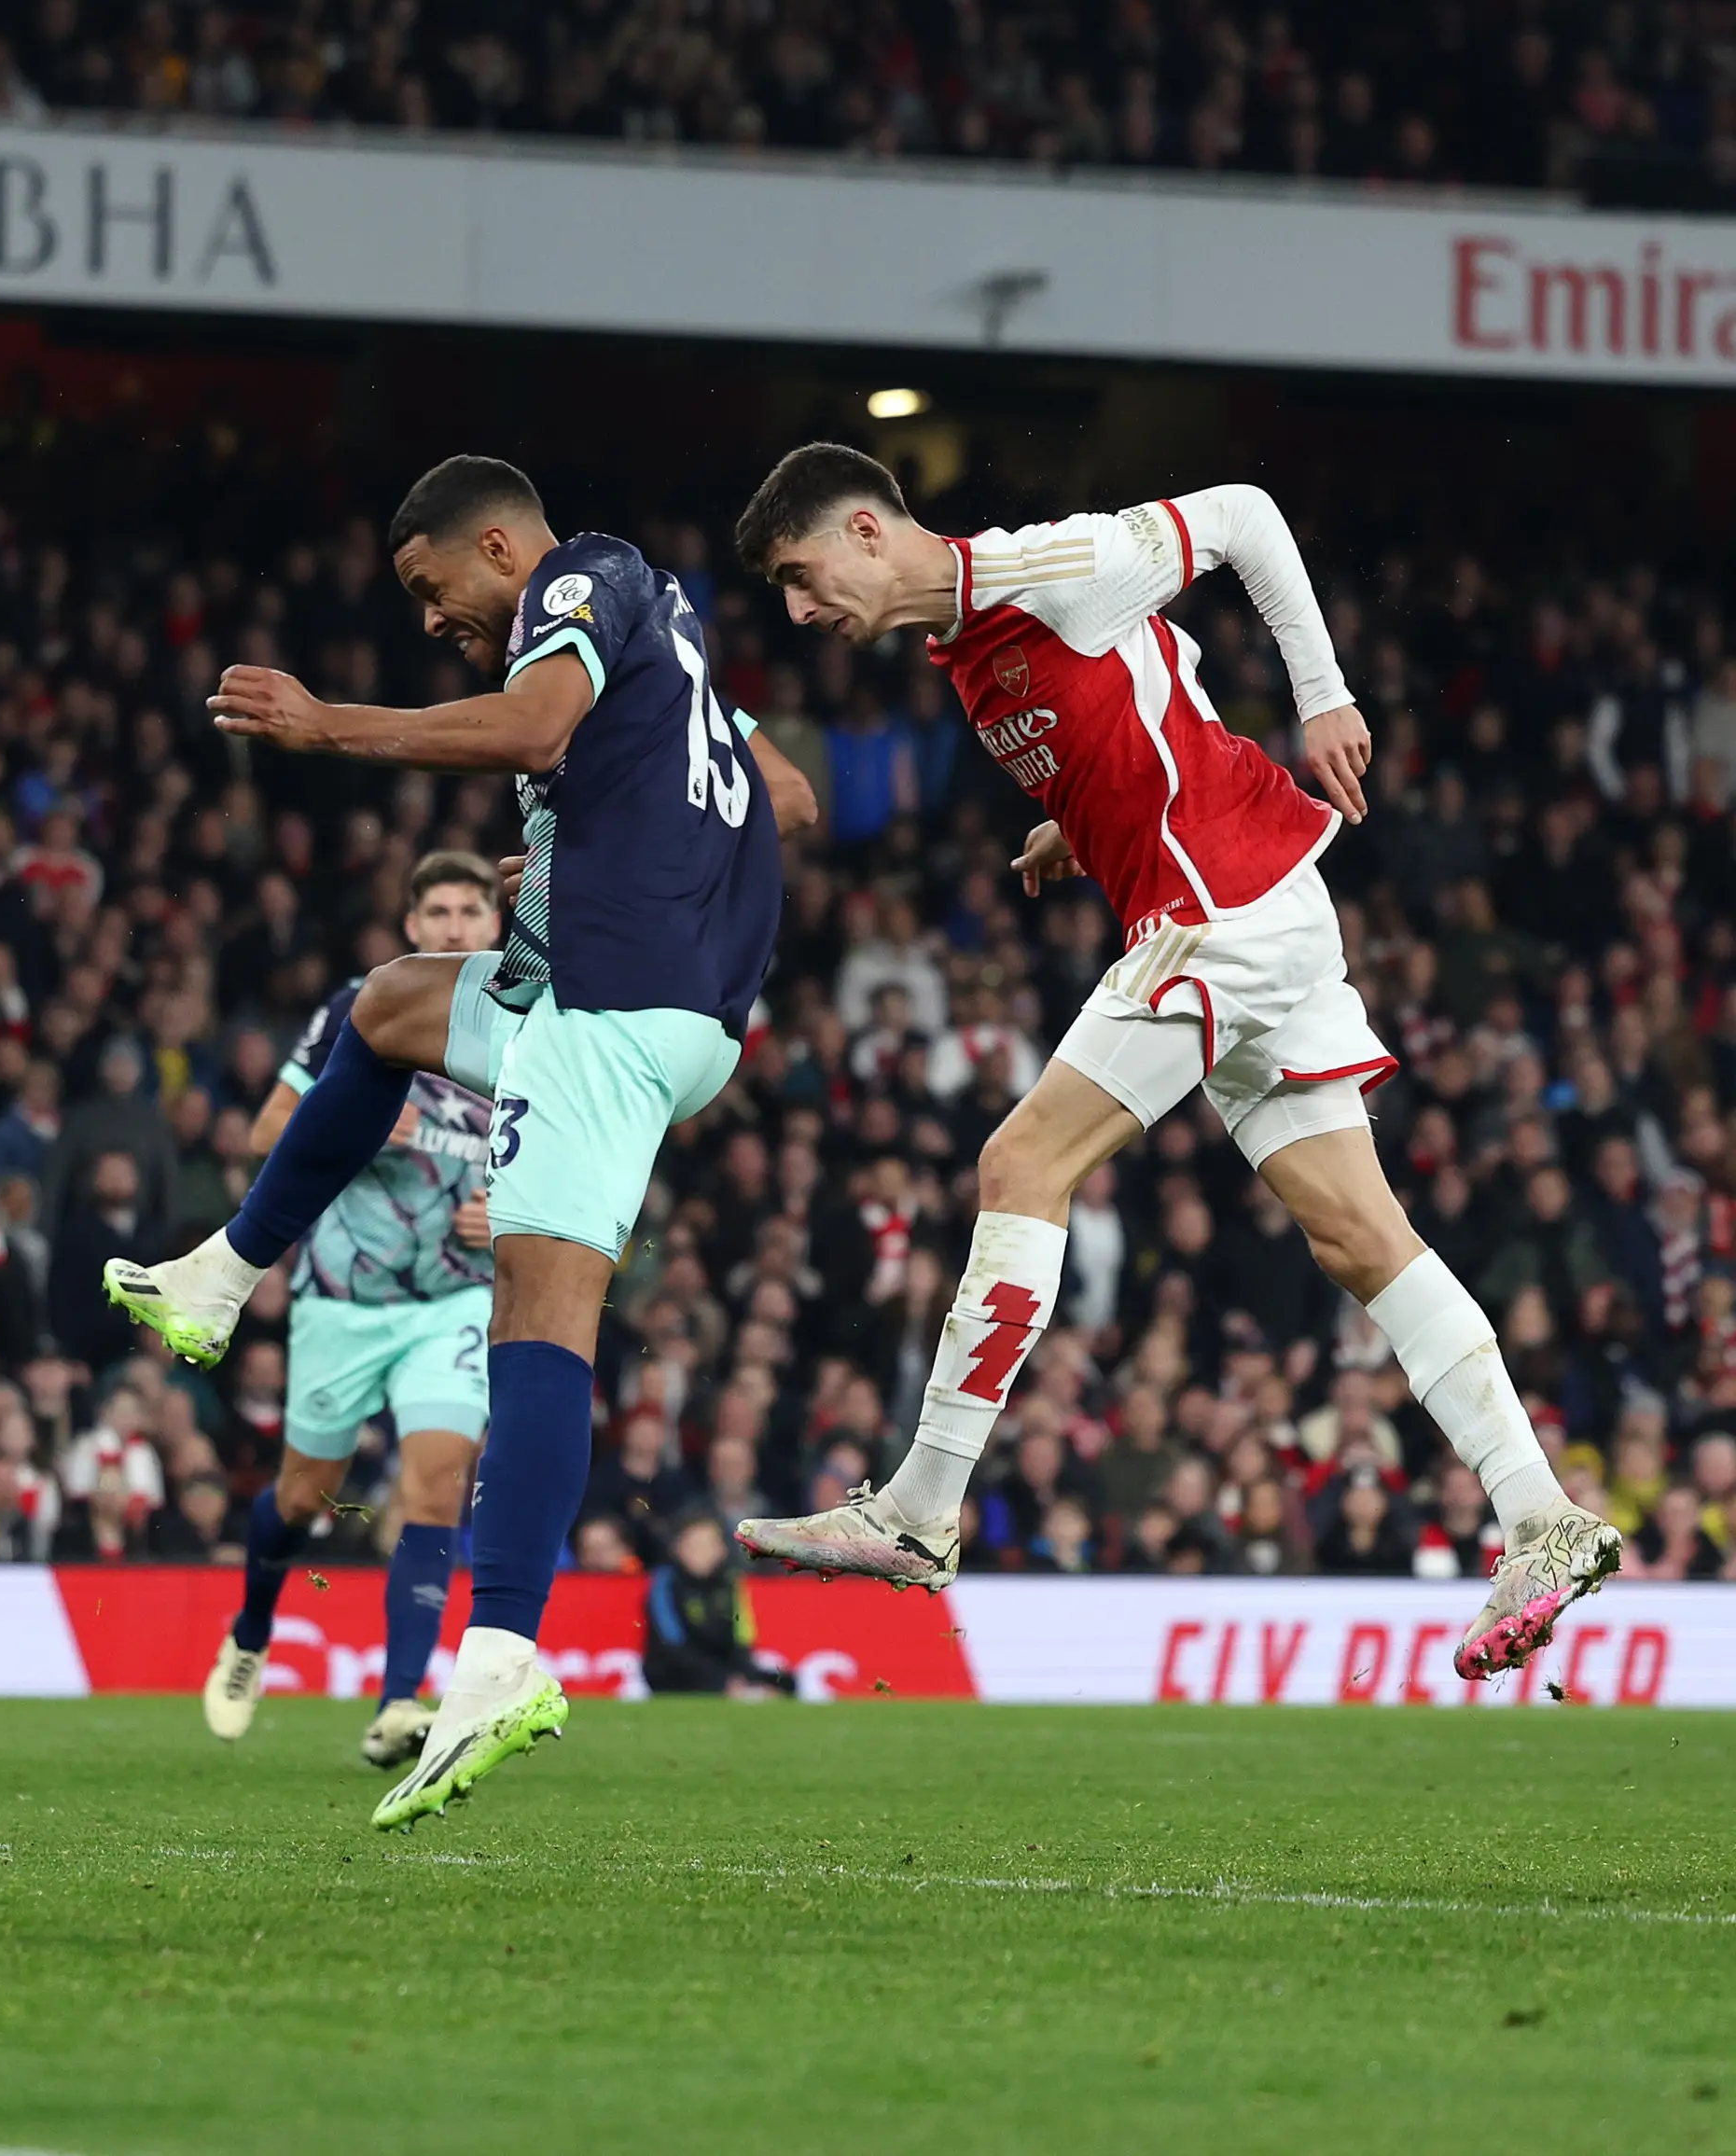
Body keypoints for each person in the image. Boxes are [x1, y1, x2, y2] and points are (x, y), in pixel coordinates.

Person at [726, 443, 1618, 1680]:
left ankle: (920, 1507)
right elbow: (1145, 703)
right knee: (1361, 1237)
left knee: (1021, 1162)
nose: (797, 610)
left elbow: (1246, 513)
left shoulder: (1047, 568)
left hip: (1221, 911)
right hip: (1257, 907)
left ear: (868, 531)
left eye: (799, 573)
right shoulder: (964, 646)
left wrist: (1323, 695)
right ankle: (1541, 1513)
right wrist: (1078, 819)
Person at [98, 456, 806, 1831]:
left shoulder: (581, 578)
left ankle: (498, 1657)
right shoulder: (667, 619)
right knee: (390, 1004)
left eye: (433, 588)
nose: (430, 619)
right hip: (659, 999)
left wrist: (326, 726)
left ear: (497, 547)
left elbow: (535, 730)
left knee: (537, 1314)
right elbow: (783, 799)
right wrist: (597, 859)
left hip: (613, 1014)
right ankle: (221, 1274)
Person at [204, 850, 503, 1772]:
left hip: (453, 1297)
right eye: (438, 912)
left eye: (470, 911)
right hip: (342, 1296)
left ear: (496, 924)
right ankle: (251, 1630)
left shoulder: (528, 1016)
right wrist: (358, 1125)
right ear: (411, 926)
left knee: (436, 1480)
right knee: (302, 1497)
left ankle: (399, 1700)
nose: (454, 927)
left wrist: (509, 1211)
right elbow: (265, 1131)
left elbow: (566, 1148)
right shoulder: (365, 1005)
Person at [640, 1515, 794, 1698]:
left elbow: (741, 1639)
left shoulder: (731, 1583)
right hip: (676, 1670)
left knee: (786, 1682)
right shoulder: (665, 1583)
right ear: (677, 1549)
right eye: (694, 1546)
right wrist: (723, 1680)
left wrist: (741, 1674)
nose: (702, 1553)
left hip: (724, 1668)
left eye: (709, 1545)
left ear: (722, 1550)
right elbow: (672, 1644)